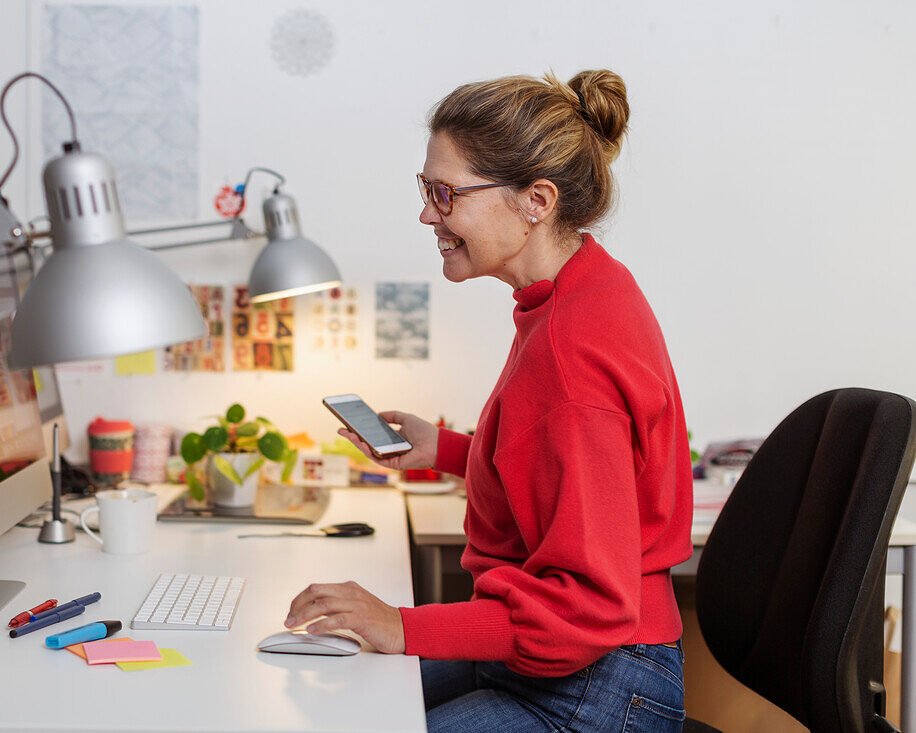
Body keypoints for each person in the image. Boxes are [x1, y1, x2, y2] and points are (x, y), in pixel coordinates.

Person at [285, 69, 693, 731]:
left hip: (596, 685)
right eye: (426, 189)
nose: (427, 213)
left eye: (445, 193)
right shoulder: (580, 291)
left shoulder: (570, 354)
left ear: (535, 200)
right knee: (334, 692)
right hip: (577, 661)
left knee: (349, 698)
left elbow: (587, 605)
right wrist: (446, 450)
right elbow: (570, 468)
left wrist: (399, 623)